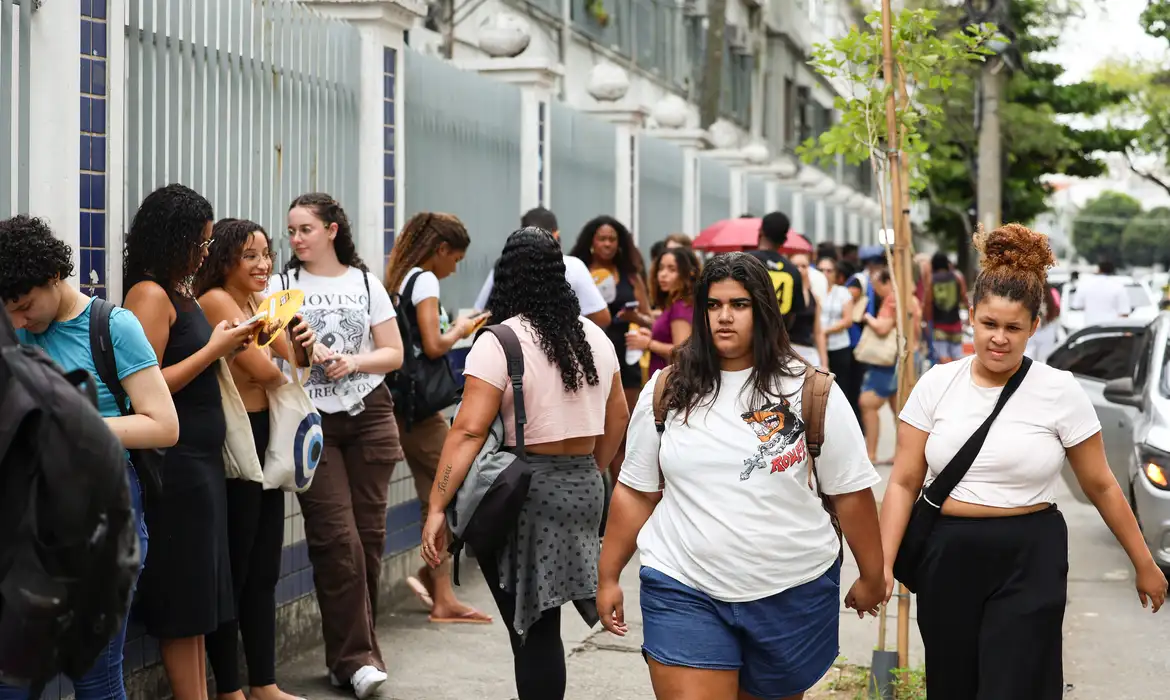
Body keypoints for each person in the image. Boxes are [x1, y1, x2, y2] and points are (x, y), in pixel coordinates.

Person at [879, 223, 1167, 699]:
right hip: (947, 553)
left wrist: (1143, 561)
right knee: (953, 686)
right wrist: (881, 568)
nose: (999, 338)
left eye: (1013, 328)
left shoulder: (1059, 390)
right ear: (971, 316)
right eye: (989, 324)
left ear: (1035, 326)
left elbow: (1101, 485)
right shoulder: (937, 383)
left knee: (1013, 685)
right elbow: (904, 482)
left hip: (1029, 555)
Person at [597, 252, 885, 700]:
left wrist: (872, 575)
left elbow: (850, 493)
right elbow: (635, 491)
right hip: (683, 584)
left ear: (763, 311)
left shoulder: (810, 390)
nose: (724, 317)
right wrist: (609, 574)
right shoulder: (667, 390)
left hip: (791, 589)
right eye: (713, 305)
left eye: (740, 304)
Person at [420, 227, 629, 700]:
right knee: (541, 625)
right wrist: (592, 467)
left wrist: (437, 506)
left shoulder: (500, 342)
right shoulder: (595, 336)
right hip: (584, 490)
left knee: (533, 631)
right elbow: (619, 416)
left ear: (506, 277)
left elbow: (468, 432)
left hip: (526, 496)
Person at [0, 216, 179, 700]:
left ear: (54, 276)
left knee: (96, 681)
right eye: (8, 312)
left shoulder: (112, 327)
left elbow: (164, 424)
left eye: (24, 307)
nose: (19, 322)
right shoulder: (11, 331)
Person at [123, 184, 255, 700]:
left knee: (201, 600)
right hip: (175, 470)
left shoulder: (178, 292)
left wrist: (229, 340)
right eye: (200, 244)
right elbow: (147, 388)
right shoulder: (149, 295)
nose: (205, 254)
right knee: (183, 601)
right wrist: (214, 349)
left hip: (201, 465)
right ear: (172, 240)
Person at [271, 193, 405, 699]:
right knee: (336, 540)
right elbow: (274, 349)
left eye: (306, 228)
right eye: (291, 231)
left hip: (370, 413)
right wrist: (303, 350)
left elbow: (392, 353)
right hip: (312, 421)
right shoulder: (283, 287)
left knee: (368, 541)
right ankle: (359, 659)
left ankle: (349, 659)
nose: (297, 238)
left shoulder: (365, 282)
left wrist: (354, 363)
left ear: (332, 230)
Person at [194, 219, 317, 700]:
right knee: (236, 570)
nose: (264, 264)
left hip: (266, 435)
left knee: (264, 570)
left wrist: (303, 343)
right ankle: (230, 689)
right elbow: (266, 370)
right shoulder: (218, 301)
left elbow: (300, 362)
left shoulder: (257, 303)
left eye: (266, 254)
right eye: (250, 255)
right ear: (225, 259)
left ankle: (264, 684)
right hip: (237, 440)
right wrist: (289, 353)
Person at [382, 211, 492, 625]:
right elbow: (432, 344)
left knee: (438, 496)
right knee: (457, 486)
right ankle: (434, 584)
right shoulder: (424, 279)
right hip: (422, 413)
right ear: (441, 250)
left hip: (406, 408)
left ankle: (439, 590)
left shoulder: (401, 277)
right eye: (456, 259)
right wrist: (462, 329)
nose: (455, 268)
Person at [473, 207, 611, 328]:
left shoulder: (504, 265)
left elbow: (480, 313)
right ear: (556, 235)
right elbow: (602, 317)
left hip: (509, 347)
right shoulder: (572, 267)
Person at [569, 216, 652, 413]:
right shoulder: (578, 272)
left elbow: (650, 319)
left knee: (627, 417)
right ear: (591, 241)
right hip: (586, 351)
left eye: (612, 239)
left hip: (625, 352)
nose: (607, 244)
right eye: (602, 238)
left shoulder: (631, 277)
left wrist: (636, 318)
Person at [858, 269, 920, 465]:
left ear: (886, 282)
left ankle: (871, 453)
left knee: (867, 402)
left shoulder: (894, 299)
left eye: (876, 286)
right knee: (899, 408)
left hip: (891, 359)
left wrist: (867, 317)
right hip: (905, 355)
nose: (875, 290)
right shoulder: (909, 298)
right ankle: (901, 453)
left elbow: (883, 328)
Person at [626, 246, 698, 374]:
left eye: (672, 269)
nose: (663, 274)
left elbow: (683, 352)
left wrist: (648, 343)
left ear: (688, 273)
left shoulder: (680, 307)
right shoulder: (674, 304)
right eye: (661, 268)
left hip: (673, 382)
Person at [746, 211, 807, 328]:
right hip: (776, 337)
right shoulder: (793, 271)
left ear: (761, 231)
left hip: (746, 333)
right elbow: (794, 312)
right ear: (784, 239)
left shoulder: (744, 260)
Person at [818, 256, 856, 396]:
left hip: (839, 345)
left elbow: (848, 320)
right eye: (821, 270)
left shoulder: (842, 292)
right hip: (817, 346)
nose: (825, 274)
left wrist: (825, 331)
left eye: (829, 270)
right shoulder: (813, 291)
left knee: (840, 387)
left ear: (835, 273)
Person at [924, 252, 968, 364]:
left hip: (939, 326)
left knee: (943, 357)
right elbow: (964, 298)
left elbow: (928, 303)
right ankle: (959, 380)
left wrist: (928, 322)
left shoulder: (931, 280)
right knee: (958, 357)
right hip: (956, 324)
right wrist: (970, 316)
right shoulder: (957, 277)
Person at [789, 252, 828, 367]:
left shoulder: (814, 297)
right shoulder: (784, 295)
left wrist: (824, 363)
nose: (800, 270)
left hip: (808, 351)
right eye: (796, 266)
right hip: (787, 351)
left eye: (804, 266)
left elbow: (818, 332)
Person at [1077, 259, 1132, 326]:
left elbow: (1078, 305)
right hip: (1111, 329)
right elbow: (1124, 313)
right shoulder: (1119, 287)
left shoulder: (1085, 284)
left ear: (1099, 269)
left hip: (1090, 328)